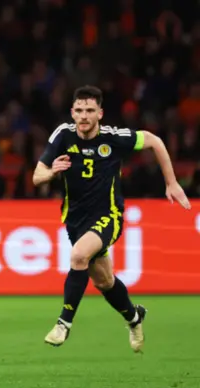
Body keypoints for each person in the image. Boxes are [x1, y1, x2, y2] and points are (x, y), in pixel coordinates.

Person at [33, 85, 191, 353]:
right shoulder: (62, 135)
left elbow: (155, 141)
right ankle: (134, 317)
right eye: (79, 110)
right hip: (75, 220)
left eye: (90, 111)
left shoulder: (114, 138)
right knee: (103, 281)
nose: (84, 116)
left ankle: (64, 323)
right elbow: (37, 176)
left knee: (78, 256)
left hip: (109, 215)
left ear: (100, 114)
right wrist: (52, 173)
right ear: (72, 112)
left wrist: (172, 182)